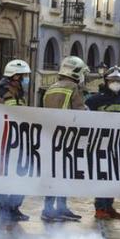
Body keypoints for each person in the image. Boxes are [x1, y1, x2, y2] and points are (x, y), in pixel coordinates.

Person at [40, 55, 89, 222]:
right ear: (76, 73)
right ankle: (57, 208)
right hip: (68, 138)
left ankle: (50, 208)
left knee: (53, 174)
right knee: (63, 175)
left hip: (51, 138)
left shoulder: (51, 88)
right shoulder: (74, 88)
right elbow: (80, 113)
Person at [85, 66, 120, 220]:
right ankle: (100, 208)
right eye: (112, 80)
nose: (115, 83)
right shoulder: (95, 100)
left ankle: (109, 206)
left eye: (118, 81)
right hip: (101, 144)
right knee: (103, 176)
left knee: (114, 177)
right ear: (106, 81)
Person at [0, 59, 31, 223]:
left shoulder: (19, 95)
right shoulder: (0, 94)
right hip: (4, 144)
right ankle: (3, 211)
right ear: (15, 77)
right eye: (24, 76)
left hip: (19, 142)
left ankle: (14, 208)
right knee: (3, 177)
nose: (26, 79)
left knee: (22, 176)